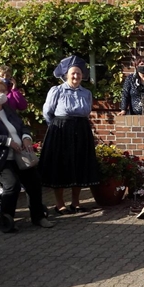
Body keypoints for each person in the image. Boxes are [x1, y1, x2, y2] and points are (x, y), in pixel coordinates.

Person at [0, 77, 54, 231]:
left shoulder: (7, 108)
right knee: (12, 185)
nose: (0, 95)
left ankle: (38, 216)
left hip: (18, 154)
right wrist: (7, 141)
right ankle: (6, 218)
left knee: (34, 182)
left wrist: (26, 138)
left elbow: (22, 126)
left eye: (3, 91)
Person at [40, 55, 99, 215]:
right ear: (66, 74)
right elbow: (47, 113)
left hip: (81, 130)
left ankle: (76, 202)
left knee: (78, 165)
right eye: (73, 73)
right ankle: (60, 204)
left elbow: (87, 113)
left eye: (79, 73)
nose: (76, 76)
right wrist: (57, 127)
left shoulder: (86, 93)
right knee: (61, 166)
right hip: (60, 131)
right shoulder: (56, 91)